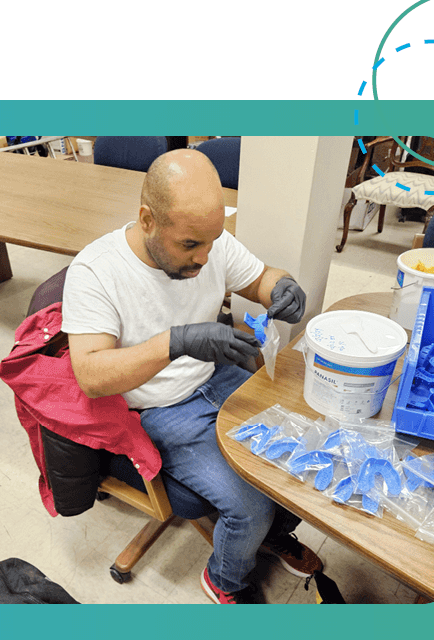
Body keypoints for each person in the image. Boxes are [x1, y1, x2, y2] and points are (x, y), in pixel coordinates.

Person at [62, 150, 322, 604]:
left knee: (297, 454)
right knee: (251, 505)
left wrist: (281, 286)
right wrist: (175, 342)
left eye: (212, 241)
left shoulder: (209, 240)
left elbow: (260, 277)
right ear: (147, 220)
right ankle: (224, 580)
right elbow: (90, 375)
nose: (204, 258)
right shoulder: (96, 272)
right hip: (158, 409)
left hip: (215, 378)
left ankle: (272, 535)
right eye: (189, 246)